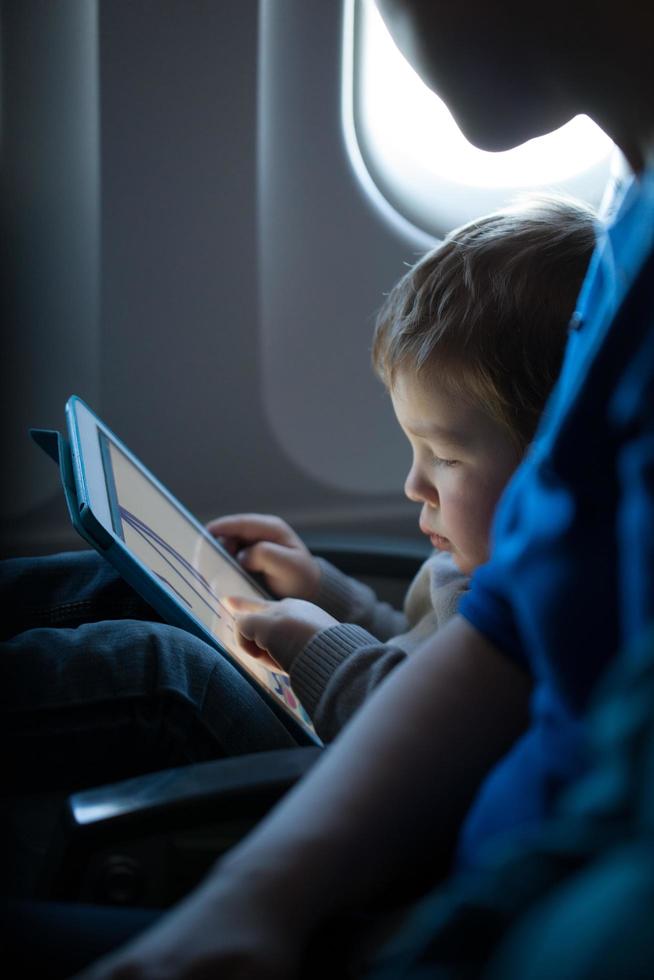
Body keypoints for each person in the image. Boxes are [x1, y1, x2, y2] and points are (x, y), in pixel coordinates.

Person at [67, 0, 654, 976]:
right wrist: (332, 592)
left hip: (455, 878)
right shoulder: (628, 226)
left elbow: (523, 705)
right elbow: (497, 633)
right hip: (431, 852)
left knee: (149, 666)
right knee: (114, 598)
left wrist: (319, 637)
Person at [209, 197, 596, 743]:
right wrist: (323, 591)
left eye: (445, 457)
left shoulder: (546, 620)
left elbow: (427, 738)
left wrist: (319, 651)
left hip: (328, 768)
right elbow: (415, 645)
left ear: (550, 464)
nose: (414, 486)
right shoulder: (466, 563)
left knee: (166, 665)